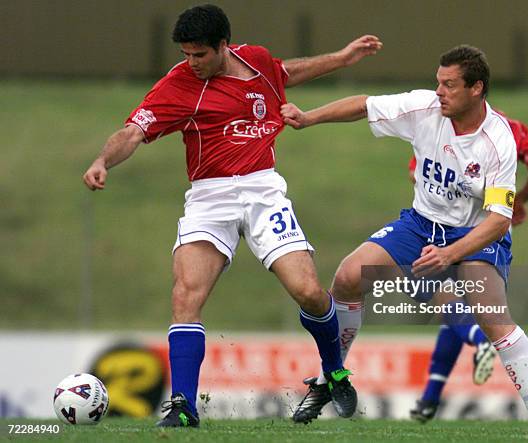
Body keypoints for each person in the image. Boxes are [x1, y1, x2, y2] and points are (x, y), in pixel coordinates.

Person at [82, 4, 382, 427]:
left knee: (310, 292)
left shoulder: (255, 60)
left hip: (264, 191)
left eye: (199, 54)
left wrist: (342, 58)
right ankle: (184, 406)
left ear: (223, 46)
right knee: (186, 296)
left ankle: (334, 372)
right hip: (210, 198)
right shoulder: (178, 86)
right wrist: (102, 161)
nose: (191, 63)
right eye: (186, 54)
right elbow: (133, 131)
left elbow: (286, 73)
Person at [281, 45, 528, 432]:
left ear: (476, 88)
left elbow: (499, 219)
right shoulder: (424, 108)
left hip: (477, 233)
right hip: (421, 224)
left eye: (449, 84)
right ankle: (332, 376)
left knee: (491, 315)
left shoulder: (498, 141)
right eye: (438, 82)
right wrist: (308, 118)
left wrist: (449, 255)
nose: (440, 91)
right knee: (348, 277)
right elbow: (365, 105)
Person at [407, 116, 528, 422]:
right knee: (463, 305)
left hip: (451, 230)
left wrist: (448, 199)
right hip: (493, 229)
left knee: (444, 298)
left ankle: (477, 341)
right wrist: (519, 200)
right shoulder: (512, 128)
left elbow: (415, 172)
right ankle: (430, 399)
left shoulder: (443, 125)